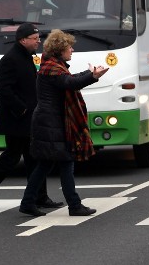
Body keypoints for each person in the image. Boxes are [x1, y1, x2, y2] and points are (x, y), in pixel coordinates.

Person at [0, 23, 62, 210]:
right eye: (35, 39)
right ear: (23, 40)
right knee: (11, 158)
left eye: (38, 38)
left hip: (28, 118)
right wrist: (21, 109)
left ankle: (39, 196)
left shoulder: (28, 57)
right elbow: (1, 88)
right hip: (16, 119)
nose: (38, 42)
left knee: (34, 157)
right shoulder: (10, 59)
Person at [19, 29, 108, 217]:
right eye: (69, 47)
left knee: (46, 164)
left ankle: (28, 202)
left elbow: (70, 78)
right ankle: (74, 205)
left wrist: (89, 73)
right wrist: (93, 76)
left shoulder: (54, 66)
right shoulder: (51, 68)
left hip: (51, 121)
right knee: (65, 162)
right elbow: (70, 83)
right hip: (51, 123)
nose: (72, 50)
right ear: (60, 49)